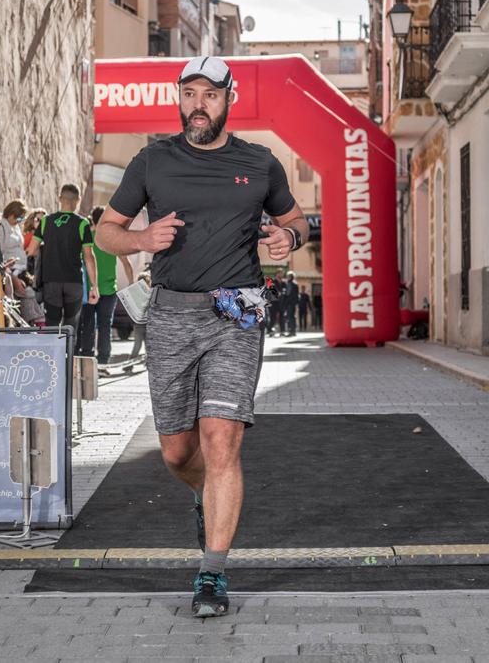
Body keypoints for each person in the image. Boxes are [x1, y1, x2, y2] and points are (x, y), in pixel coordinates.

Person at [95, 55, 307, 618]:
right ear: (179, 98)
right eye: (189, 93)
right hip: (170, 316)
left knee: (221, 442)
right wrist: (141, 240)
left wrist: (290, 238)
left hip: (235, 316)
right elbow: (106, 230)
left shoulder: (259, 163)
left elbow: (298, 219)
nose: (198, 104)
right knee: (177, 450)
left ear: (228, 99)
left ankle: (211, 572)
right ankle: (202, 497)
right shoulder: (151, 161)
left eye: (210, 94)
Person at [26, 184, 99, 334]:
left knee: (52, 324)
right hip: (74, 282)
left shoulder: (46, 221)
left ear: (59, 198)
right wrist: (94, 286)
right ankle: (68, 356)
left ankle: (54, 357)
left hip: (51, 281)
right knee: (70, 325)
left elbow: (31, 250)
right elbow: (89, 257)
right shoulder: (83, 223)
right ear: (78, 200)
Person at [78, 205, 134, 376]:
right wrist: (131, 285)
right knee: (105, 326)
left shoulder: (87, 239)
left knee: (87, 325)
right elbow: (126, 263)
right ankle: (103, 362)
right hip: (109, 290)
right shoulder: (110, 240)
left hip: (90, 290)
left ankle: (88, 362)